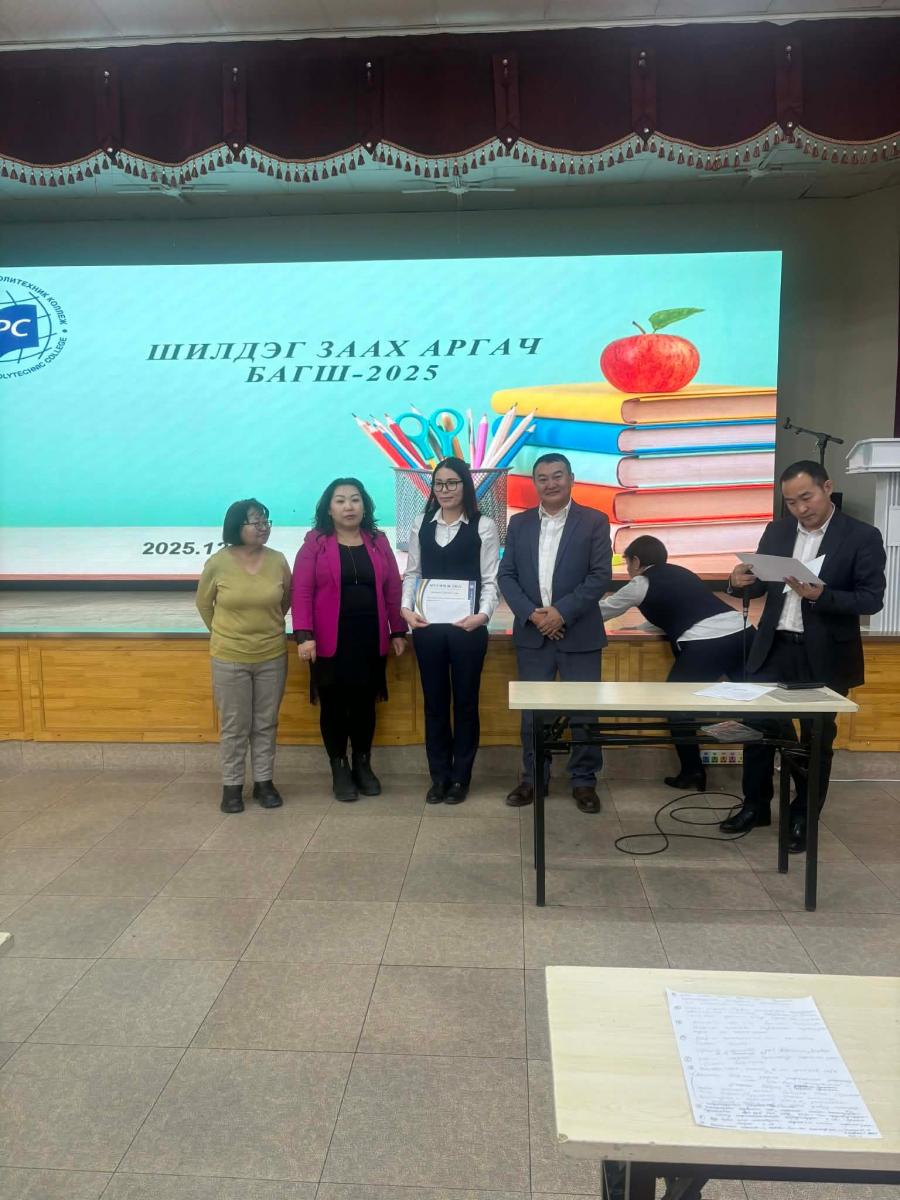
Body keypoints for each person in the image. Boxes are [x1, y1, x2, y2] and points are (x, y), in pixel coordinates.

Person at [720, 460, 886, 851]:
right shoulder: (777, 531)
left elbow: (871, 599)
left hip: (824, 655)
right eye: (791, 502)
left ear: (827, 487)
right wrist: (738, 581)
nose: (800, 508)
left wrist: (822, 596)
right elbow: (759, 586)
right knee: (756, 729)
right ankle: (755, 805)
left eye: (806, 497)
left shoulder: (861, 536)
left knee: (816, 740)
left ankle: (802, 816)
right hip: (774, 646)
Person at [498, 452, 612, 813]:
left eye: (557, 476)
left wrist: (561, 613)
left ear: (572, 478)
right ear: (535, 483)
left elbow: (600, 576)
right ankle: (534, 778)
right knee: (534, 712)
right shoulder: (520, 524)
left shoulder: (594, 521)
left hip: (579, 633)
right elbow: (506, 576)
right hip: (533, 634)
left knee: (584, 712)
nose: (550, 484)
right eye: (542, 478)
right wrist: (533, 615)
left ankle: (584, 781)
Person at [599, 534, 754, 792]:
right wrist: (634, 629)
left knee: (676, 707)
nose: (627, 570)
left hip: (707, 643)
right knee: (757, 708)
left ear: (635, 561)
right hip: (744, 632)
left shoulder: (641, 582)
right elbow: (676, 611)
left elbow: (606, 609)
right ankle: (773, 766)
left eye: (627, 563)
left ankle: (693, 771)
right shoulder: (681, 572)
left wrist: (565, 615)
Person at [292, 478, 407, 801]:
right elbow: (301, 591)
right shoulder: (315, 543)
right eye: (340, 500)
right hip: (329, 640)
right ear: (328, 509)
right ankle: (339, 767)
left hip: (369, 637)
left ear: (364, 506)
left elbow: (392, 589)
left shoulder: (378, 541)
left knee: (364, 705)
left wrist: (397, 630)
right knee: (333, 705)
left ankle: (362, 764)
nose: (348, 507)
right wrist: (304, 635)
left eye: (355, 500)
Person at [401, 457, 500, 805]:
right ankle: (439, 777)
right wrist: (406, 609)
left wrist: (483, 615)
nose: (445, 490)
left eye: (452, 483)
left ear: (465, 486)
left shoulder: (484, 525)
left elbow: (490, 580)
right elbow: (413, 572)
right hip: (427, 628)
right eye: (439, 483)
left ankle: (461, 778)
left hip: (468, 630)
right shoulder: (421, 523)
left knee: (466, 703)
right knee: (435, 703)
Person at [196, 498, 292, 814]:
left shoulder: (277, 560)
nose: (263, 527)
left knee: (266, 723)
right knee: (235, 726)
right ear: (237, 526)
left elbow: (285, 600)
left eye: (266, 521)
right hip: (230, 656)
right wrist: (225, 634)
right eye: (256, 522)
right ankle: (232, 786)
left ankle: (264, 783)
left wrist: (266, 628)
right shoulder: (218, 563)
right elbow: (204, 604)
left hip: (271, 654)